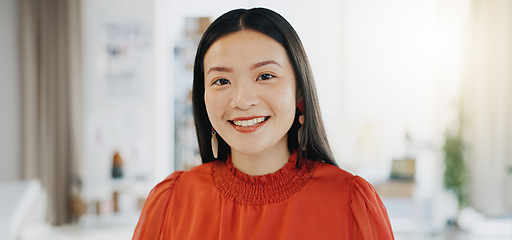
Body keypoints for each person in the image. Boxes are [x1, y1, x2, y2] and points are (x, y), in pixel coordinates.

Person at [133, 7, 394, 239]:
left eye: (265, 75)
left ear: (299, 92)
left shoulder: (350, 202)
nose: (242, 101)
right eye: (221, 81)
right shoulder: (171, 201)